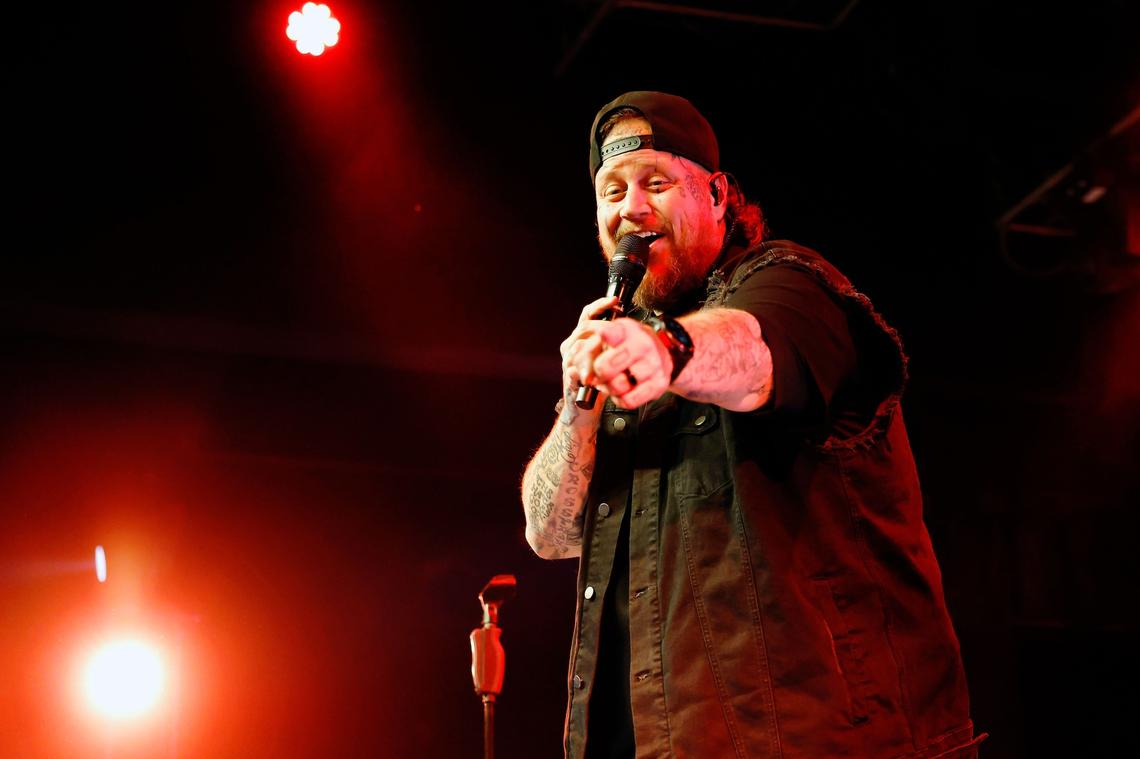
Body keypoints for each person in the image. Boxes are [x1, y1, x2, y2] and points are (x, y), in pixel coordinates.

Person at [521, 91, 982, 759]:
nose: (633, 208)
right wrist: (579, 404)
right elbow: (550, 532)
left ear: (714, 194)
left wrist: (666, 351)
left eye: (657, 182)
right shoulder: (623, 361)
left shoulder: (793, 285)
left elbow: (753, 351)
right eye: (613, 189)